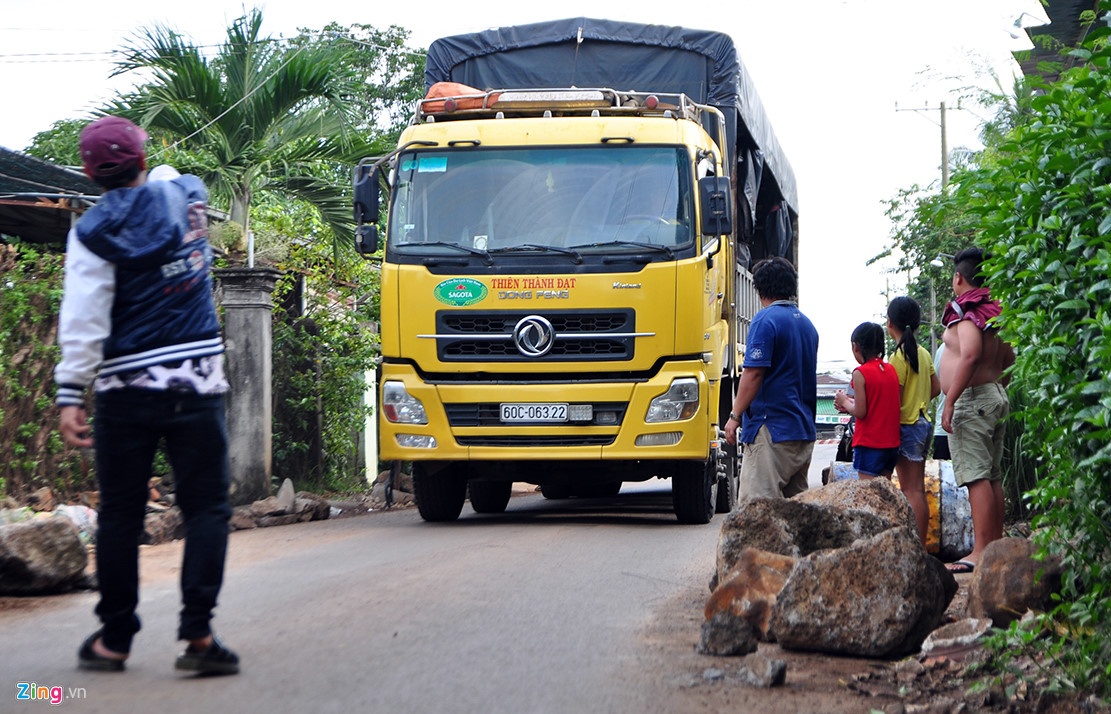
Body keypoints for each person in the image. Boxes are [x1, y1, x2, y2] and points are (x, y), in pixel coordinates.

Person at [55, 116, 239, 675]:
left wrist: (70, 393)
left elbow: (83, 318)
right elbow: (171, 174)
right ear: (145, 155)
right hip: (197, 382)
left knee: (119, 515)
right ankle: (199, 637)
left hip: (124, 392)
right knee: (206, 507)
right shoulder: (188, 197)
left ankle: (114, 640)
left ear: (89, 173)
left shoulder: (91, 232)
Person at [938, 247, 1014, 574]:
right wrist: (996, 387)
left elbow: (969, 354)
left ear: (959, 278)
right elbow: (1010, 357)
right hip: (993, 396)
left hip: (972, 400)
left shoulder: (964, 310)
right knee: (992, 476)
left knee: (977, 476)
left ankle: (981, 552)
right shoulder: (993, 311)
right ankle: (994, 547)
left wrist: (952, 400)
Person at [723, 256, 819, 499]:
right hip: (802, 432)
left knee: (756, 513)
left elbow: (754, 373)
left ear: (760, 289)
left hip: (772, 430)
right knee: (795, 517)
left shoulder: (765, 320)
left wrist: (734, 417)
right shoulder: (808, 325)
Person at [887, 296, 941, 547]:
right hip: (924, 423)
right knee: (917, 490)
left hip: (906, 426)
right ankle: (921, 545)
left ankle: (914, 546)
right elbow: (936, 387)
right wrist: (920, 402)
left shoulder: (898, 357)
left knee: (909, 491)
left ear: (890, 324)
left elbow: (893, 398)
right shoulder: (923, 353)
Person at [833, 322, 901, 479]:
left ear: (856, 347)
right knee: (884, 494)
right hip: (891, 444)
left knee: (868, 494)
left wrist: (844, 401)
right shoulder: (890, 369)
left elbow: (861, 412)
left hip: (870, 443)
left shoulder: (860, 373)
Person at [931, 344, 951, 460]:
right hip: (946, 426)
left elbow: (936, 385)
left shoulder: (943, 348)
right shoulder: (944, 348)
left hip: (944, 427)